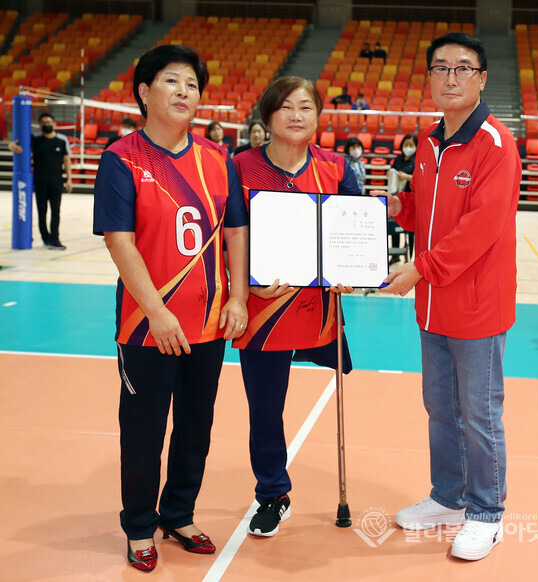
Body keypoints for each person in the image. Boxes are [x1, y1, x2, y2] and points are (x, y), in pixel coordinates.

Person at [93, 44, 249, 572]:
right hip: (147, 327)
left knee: (194, 428)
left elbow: (235, 231)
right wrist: (157, 312)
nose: (184, 92)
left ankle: (178, 513)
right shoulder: (120, 159)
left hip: (207, 325)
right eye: (171, 81)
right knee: (143, 430)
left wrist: (238, 295)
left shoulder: (217, 160)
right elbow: (120, 242)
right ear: (143, 91)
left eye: (192, 84)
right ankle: (139, 526)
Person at [379, 33, 521, 560]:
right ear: (430, 79)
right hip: (433, 307)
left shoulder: (496, 145)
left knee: (479, 414)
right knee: (440, 408)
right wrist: (391, 210)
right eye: (441, 68)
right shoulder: (427, 141)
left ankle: (486, 512)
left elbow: (478, 228)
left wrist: (419, 268)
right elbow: (426, 211)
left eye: (463, 68)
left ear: (482, 78)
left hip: (478, 308)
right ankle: (448, 497)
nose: (452, 77)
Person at [233, 76, 360, 538]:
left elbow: (355, 226)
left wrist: (354, 267)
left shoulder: (337, 168)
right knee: (265, 409)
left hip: (317, 305)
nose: (296, 115)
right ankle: (273, 493)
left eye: (305, 107)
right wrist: (244, 285)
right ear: (267, 116)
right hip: (262, 309)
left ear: (318, 117)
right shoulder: (241, 166)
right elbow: (230, 236)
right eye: (285, 107)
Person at [8, 112, 72, 249]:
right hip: (40, 181)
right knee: (41, 211)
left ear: (54, 124)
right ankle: (46, 238)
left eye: (49, 122)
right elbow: (14, 145)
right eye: (44, 123)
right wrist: (13, 148)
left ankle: (55, 238)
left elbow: (66, 160)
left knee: (56, 211)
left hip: (56, 181)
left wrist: (69, 179)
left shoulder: (61, 141)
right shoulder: (35, 140)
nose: (47, 125)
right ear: (40, 126)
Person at [386, 134, 418, 260]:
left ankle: (411, 256)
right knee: (394, 225)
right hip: (397, 197)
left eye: (411, 145)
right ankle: (395, 256)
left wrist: (406, 177)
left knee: (410, 228)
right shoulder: (398, 159)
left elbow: (419, 178)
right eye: (406, 145)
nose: (408, 147)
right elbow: (392, 170)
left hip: (411, 198)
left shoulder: (418, 160)